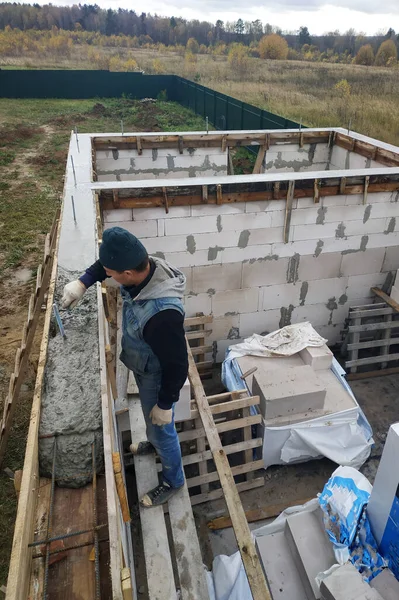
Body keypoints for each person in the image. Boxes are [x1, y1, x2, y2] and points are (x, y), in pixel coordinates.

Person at [61, 226, 188, 507]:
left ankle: (173, 480)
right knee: (148, 416)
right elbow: (108, 265)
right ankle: (153, 442)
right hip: (143, 362)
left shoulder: (162, 317)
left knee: (161, 426)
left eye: (112, 275)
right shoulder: (141, 264)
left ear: (128, 275)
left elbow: (178, 365)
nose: (109, 276)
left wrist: (166, 404)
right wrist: (83, 282)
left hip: (157, 374)